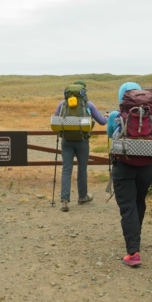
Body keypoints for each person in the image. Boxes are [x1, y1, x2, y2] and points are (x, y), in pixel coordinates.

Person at [106, 82, 152, 267]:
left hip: (123, 166)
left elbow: (110, 135)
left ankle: (133, 252)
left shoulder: (117, 115)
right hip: (146, 166)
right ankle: (135, 238)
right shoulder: (150, 116)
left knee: (127, 206)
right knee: (139, 202)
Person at [54, 81, 108, 212]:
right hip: (82, 141)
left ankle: (65, 201)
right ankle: (82, 196)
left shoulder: (62, 104)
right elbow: (101, 121)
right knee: (82, 168)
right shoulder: (88, 104)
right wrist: (107, 117)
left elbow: (56, 120)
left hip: (66, 141)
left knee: (67, 169)